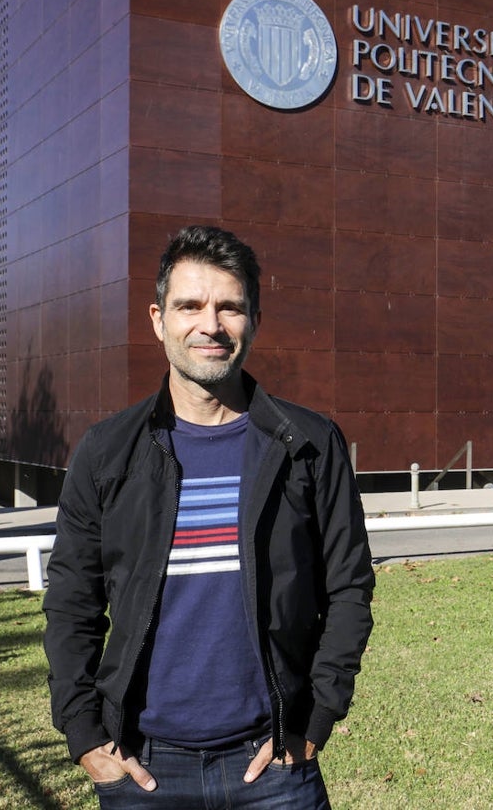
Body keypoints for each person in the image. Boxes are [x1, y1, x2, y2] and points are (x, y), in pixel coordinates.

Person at [43, 225, 374, 808]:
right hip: (143, 765)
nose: (211, 325)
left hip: (274, 764)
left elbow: (348, 587)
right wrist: (85, 736)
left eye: (230, 307)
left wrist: (316, 717)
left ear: (254, 320)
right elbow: (73, 601)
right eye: (190, 305)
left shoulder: (310, 444)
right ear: (157, 319)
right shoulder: (107, 452)